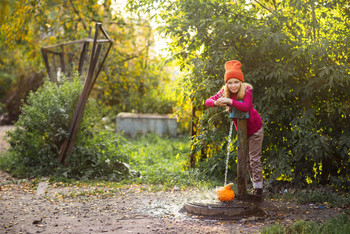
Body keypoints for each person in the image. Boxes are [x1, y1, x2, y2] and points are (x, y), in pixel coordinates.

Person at [205, 60, 264, 196]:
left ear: (241, 82)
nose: (233, 85)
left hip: (255, 130)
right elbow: (207, 101)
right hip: (242, 132)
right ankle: (249, 186)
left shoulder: (247, 90)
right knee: (246, 160)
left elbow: (246, 107)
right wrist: (217, 102)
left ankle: (258, 189)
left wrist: (230, 101)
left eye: (236, 82)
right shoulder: (225, 92)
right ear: (226, 84)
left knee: (254, 159)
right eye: (230, 82)